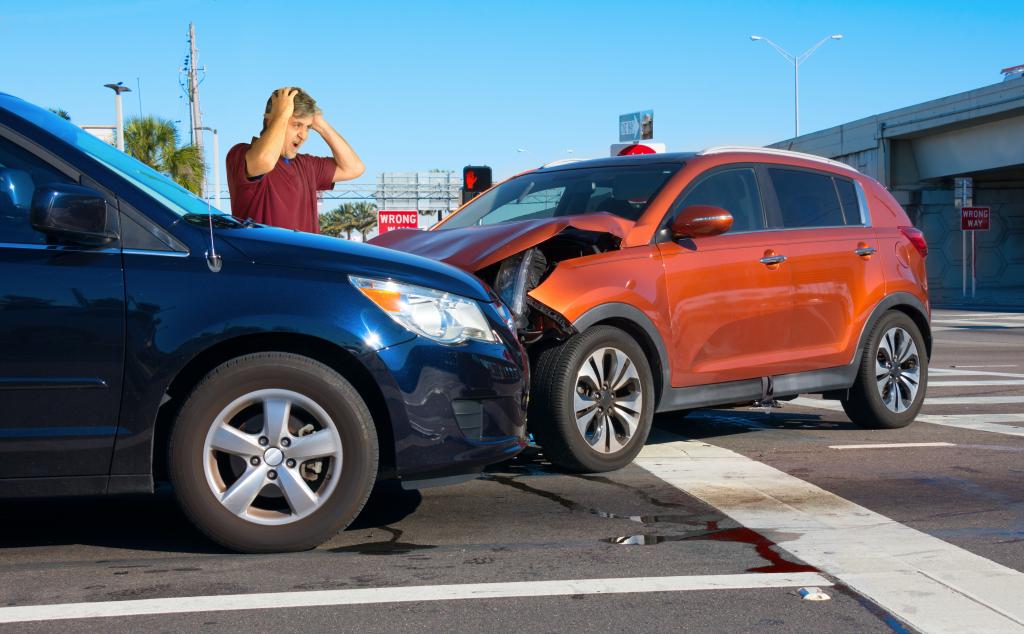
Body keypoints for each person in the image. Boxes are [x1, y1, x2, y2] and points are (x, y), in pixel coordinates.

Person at [227, 87, 364, 233]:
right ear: (270, 120)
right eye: (296, 125)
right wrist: (281, 115)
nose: (303, 135)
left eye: (308, 127)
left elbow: (354, 168)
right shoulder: (241, 154)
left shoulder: (306, 165)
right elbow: (265, 160)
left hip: (307, 256)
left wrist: (321, 126)